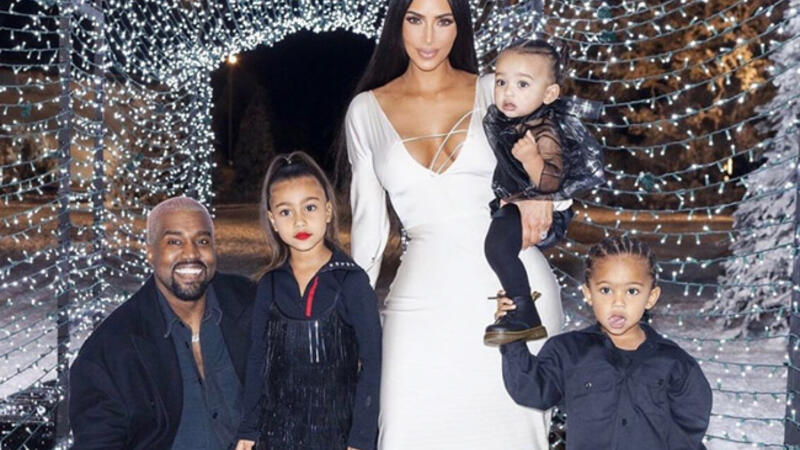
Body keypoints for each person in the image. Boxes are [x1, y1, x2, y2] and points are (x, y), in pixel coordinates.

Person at [342, 0, 570, 447]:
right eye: (416, 20)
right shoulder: (365, 111)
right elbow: (369, 227)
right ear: (398, 24)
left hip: (511, 296)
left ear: (459, 26)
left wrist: (544, 195)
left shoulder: (494, 89)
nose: (428, 37)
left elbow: (559, 153)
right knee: (405, 432)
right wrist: (351, 315)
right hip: (420, 305)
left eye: (443, 21)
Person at [69, 197, 256, 449]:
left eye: (202, 241)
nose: (191, 253)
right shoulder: (110, 351)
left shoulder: (253, 304)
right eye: (174, 242)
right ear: (150, 252)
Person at [496, 236, 713, 449]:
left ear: (651, 297)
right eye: (606, 290)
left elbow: (689, 428)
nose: (618, 302)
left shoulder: (676, 364)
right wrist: (512, 332)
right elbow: (531, 390)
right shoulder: (568, 352)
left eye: (632, 291)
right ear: (588, 293)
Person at [235, 152, 381, 450]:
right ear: (273, 220)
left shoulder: (351, 282)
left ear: (328, 211)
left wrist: (361, 439)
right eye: (285, 212)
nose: (299, 220)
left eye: (310, 207)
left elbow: (373, 363)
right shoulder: (269, 285)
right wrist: (249, 429)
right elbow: (257, 360)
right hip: (278, 434)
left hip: (337, 434)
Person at [483, 39, 605, 346]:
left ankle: (524, 310)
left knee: (497, 247)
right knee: (499, 246)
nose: (508, 92)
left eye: (522, 84)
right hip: (517, 203)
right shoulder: (515, 120)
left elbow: (551, 184)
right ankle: (519, 307)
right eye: (501, 82)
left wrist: (531, 160)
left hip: (549, 211)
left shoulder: (545, 130)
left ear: (549, 94)